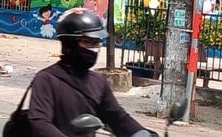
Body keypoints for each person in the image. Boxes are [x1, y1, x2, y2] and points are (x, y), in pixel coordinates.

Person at [27, 8, 150, 136]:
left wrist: (141, 133)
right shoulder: (46, 79)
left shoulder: (98, 82)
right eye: (87, 42)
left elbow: (117, 116)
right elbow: (40, 123)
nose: (93, 49)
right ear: (69, 44)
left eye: (96, 43)